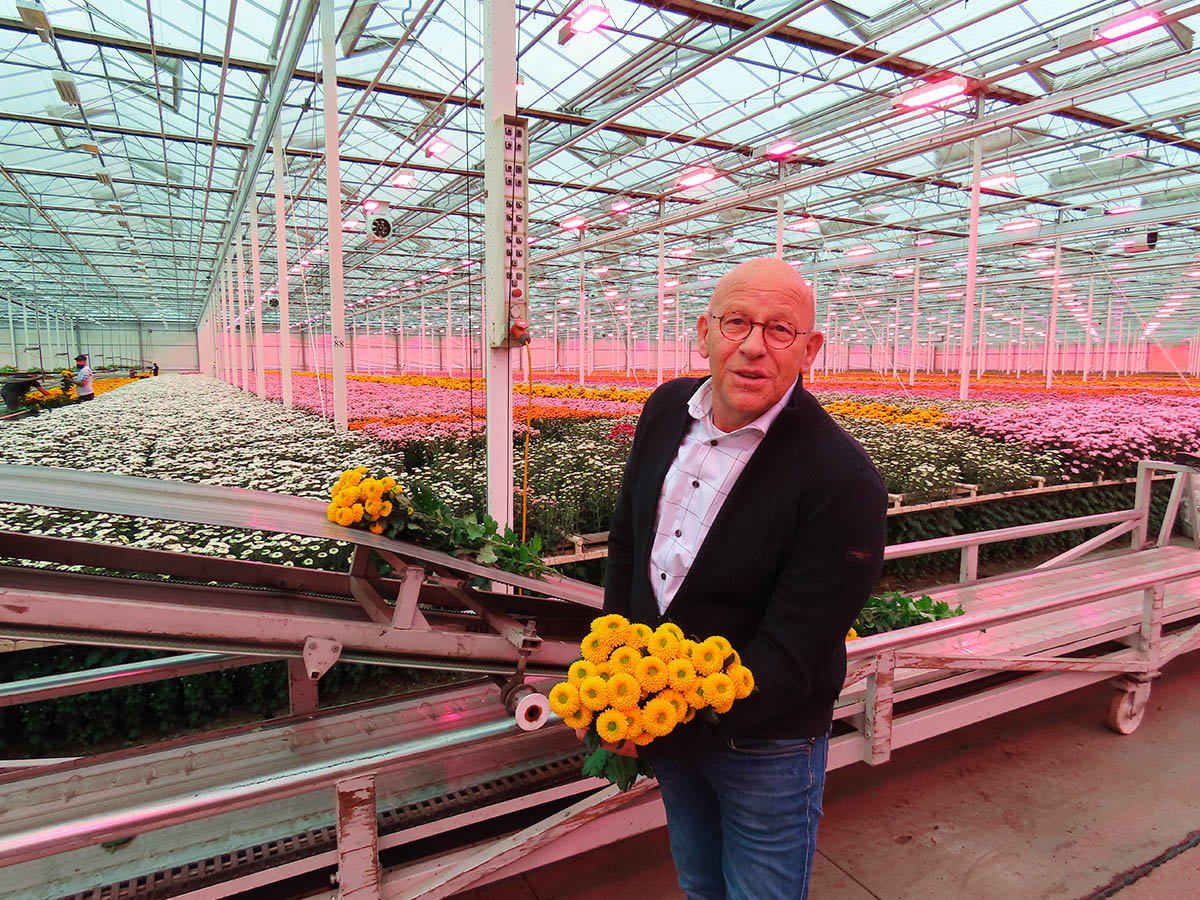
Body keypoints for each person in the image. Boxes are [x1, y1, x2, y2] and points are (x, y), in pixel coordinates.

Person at [602, 257, 888, 900]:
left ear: (810, 349)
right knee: (699, 882)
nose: (754, 346)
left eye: (780, 330)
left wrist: (666, 719)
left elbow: (794, 653)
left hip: (765, 744)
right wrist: (617, 675)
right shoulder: (667, 408)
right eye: (736, 322)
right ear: (705, 331)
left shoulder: (841, 480)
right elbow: (628, 543)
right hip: (666, 712)